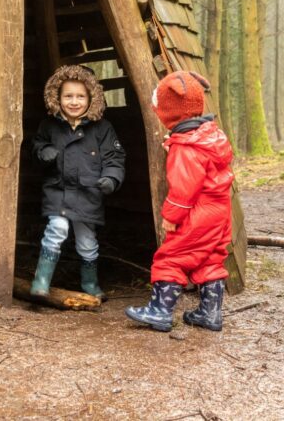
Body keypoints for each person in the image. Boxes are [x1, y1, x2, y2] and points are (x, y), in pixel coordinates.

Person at [125, 70, 234, 332]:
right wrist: (175, 147)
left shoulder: (185, 149)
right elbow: (201, 164)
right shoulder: (210, 137)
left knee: (171, 257)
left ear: (168, 112)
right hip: (219, 209)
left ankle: (160, 311)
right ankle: (210, 314)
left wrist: (171, 218)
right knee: (210, 257)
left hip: (198, 211)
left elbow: (184, 190)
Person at [30, 65, 125, 301]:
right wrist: (44, 152)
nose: (74, 102)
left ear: (91, 98)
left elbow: (115, 157)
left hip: (88, 194)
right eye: (68, 96)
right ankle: (41, 282)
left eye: (80, 96)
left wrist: (111, 178)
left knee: (86, 242)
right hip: (58, 192)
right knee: (56, 230)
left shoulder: (102, 129)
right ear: (57, 97)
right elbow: (36, 147)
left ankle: (90, 282)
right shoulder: (49, 125)